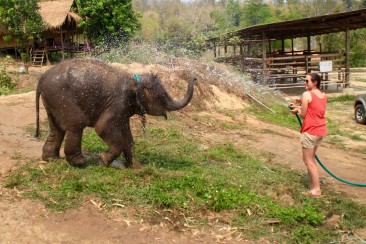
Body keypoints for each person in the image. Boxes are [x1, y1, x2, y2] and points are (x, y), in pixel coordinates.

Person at [290, 73, 327, 197]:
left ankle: (316, 189)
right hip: (320, 130)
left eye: (307, 81)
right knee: (310, 159)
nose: (305, 83)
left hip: (310, 131)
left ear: (315, 82)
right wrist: (299, 106)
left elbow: (304, 115)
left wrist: (297, 110)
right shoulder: (323, 95)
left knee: (308, 160)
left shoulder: (307, 94)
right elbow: (314, 108)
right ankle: (313, 185)